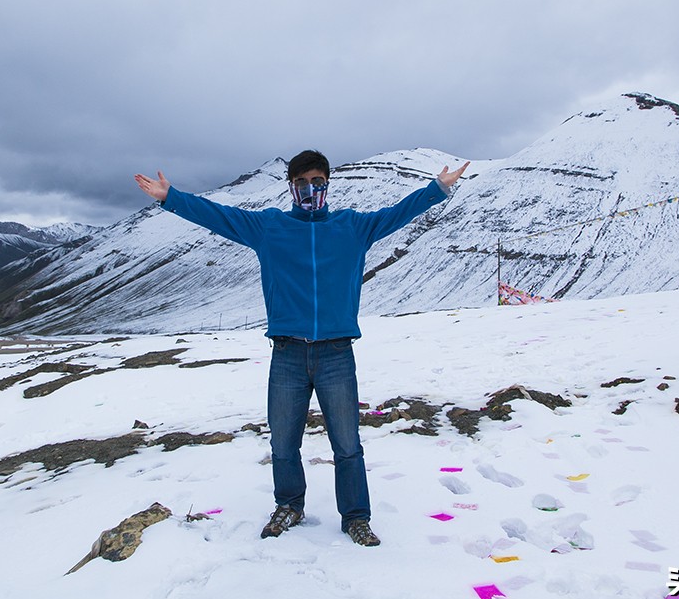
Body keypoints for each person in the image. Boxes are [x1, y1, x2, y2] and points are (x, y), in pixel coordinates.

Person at [135, 150, 468, 547]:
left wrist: (436, 189)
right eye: (303, 183)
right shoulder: (268, 227)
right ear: (291, 187)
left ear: (328, 184)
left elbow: (396, 214)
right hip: (288, 354)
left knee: (347, 444)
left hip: (336, 355)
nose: (311, 189)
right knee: (282, 442)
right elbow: (219, 216)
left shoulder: (353, 227)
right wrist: (171, 197)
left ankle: (356, 517)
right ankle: (289, 504)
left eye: (318, 182)